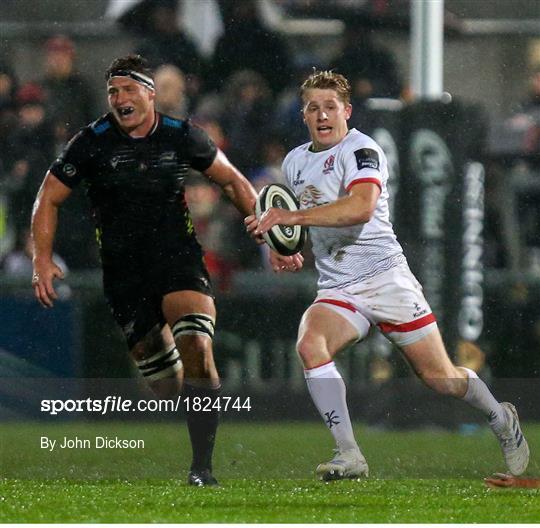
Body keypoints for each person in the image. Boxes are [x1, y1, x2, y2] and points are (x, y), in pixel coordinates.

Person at [245, 70, 530, 480]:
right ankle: (349, 454)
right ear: (303, 115)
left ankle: (500, 417)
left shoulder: (363, 150)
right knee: (311, 344)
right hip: (339, 287)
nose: (322, 114)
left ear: (346, 110)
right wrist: (283, 247)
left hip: (385, 279)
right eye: (313, 107)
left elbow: (359, 207)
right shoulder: (294, 161)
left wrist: (292, 216)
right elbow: (302, 226)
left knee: (441, 378)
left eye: (330, 106)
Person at [30, 54, 296, 486]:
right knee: (168, 387)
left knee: (197, 345)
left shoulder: (182, 136)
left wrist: (267, 235)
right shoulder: (92, 141)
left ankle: (202, 469)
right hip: (123, 274)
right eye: (113, 91)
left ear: (150, 95)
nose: (119, 98)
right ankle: (181, 388)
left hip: (177, 259)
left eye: (128, 89)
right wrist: (42, 258)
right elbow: (49, 196)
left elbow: (231, 181)